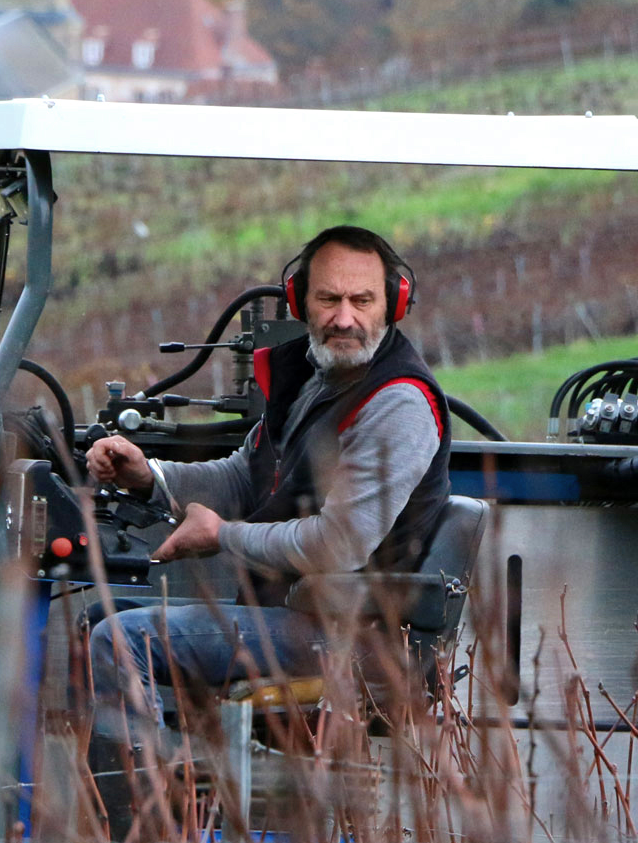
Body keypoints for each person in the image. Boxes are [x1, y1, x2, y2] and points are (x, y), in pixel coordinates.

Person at [85, 225, 451, 737]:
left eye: (362, 300)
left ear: (393, 304)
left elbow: (339, 544)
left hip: (348, 635)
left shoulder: (397, 404)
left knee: (121, 640)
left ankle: (146, 806)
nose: (344, 318)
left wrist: (222, 537)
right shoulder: (311, 379)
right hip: (290, 616)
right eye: (328, 299)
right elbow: (243, 477)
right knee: (99, 615)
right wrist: (151, 478)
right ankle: (183, 782)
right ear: (300, 302)